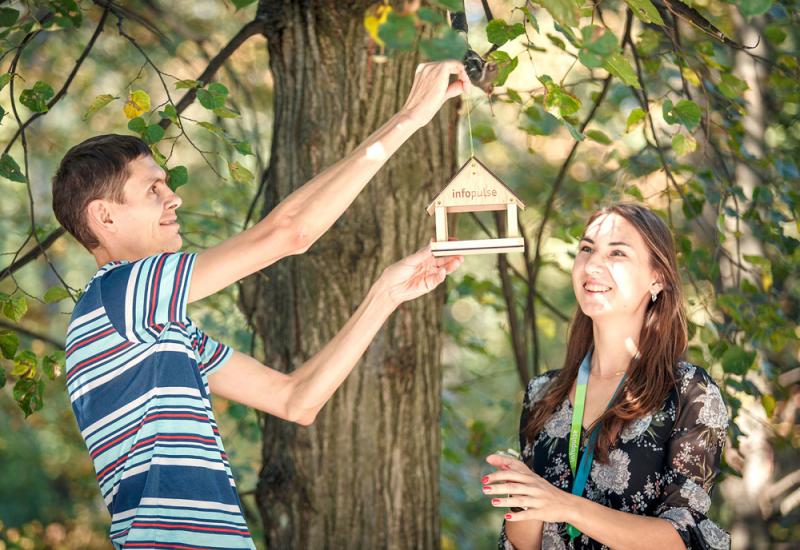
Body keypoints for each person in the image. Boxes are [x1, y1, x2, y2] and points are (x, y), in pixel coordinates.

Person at [53, 61, 469, 549]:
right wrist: (410, 117)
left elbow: (295, 400)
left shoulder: (162, 329)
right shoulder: (119, 293)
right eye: (153, 189)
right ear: (104, 216)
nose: (174, 199)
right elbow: (290, 232)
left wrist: (385, 294)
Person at [481, 204, 730, 549]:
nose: (593, 265)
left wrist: (563, 504)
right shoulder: (542, 393)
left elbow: (681, 538)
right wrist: (525, 499)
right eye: (586, 249)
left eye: (617, 253)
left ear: (657, 277)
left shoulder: (689, 392)